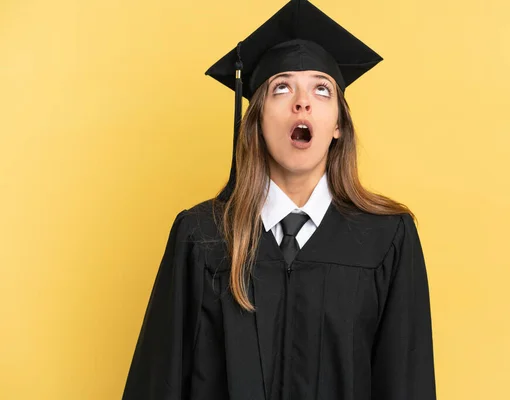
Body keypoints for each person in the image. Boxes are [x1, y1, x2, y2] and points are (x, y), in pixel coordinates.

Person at [122, 0, 437, 399]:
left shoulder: (387, 239)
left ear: (338, 124)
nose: (301, 101)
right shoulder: (202, 237)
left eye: (321, 89)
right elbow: (157, 383)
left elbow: (406, 385)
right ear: (256, 120)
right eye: (281, 88)